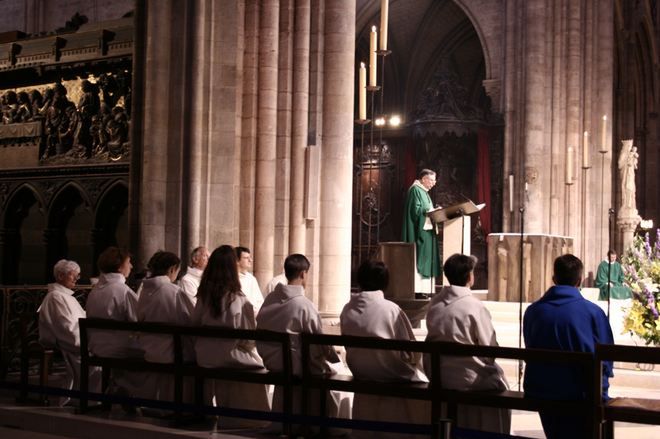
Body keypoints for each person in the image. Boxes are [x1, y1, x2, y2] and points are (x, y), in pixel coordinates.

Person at [523, 254, 614, 439]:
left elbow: (529, 345)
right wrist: (602, 389)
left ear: (554, 278)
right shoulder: (592, 312)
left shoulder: (532, 311)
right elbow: (607, 356)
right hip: (580, 393)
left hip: (540, 389)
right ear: (579, 280)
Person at [256, 254, 350, 434]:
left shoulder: (270, 299)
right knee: (338, 371)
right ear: (303, 274)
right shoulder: (304, 305)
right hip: (298, 367)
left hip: (274, 363)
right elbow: (319, 341)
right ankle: (326, 425)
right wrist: (332, 357)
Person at [340, 260, 428, 438]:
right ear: (385, 282)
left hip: (361, 372)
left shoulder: (347, 309)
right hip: (391, 374)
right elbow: (410, 350)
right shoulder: (391, 310)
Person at [424, 254, 510, 434]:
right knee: (502, 384)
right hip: (470, 379)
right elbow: (489, 351)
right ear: (470, 276)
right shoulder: (474, 306)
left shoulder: (435, 304)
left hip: (441, 376)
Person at [193, 245, 270, 428]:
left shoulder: (204, 295)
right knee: (261, 366)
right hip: (229, 355)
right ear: (232, 269)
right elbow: (248, 338)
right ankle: (247, 419)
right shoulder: (238, 299)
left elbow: (194, 323)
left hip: (204, 354)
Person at [38, 259, 100, 406]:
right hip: (68, 342)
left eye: (78, 276)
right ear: (60, 276)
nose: (77, 279)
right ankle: (86, 399)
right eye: (74, 275)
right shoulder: (56, 297)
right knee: (96, 363)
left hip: (77, 339)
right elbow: (67, 329)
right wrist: (89, 342)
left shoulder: (66, 296)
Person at [85, 247, 143, 396]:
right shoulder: (122, 290)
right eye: (128, 262)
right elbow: (138, 322)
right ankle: (133, 394)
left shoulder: (95, 290)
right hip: (118, 348)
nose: (131, 266)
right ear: (119, 266)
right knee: (156, 353)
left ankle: (117, 385)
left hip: (96, 346)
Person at [138, 251, 193, 401]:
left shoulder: (144, 290)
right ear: (171, 269)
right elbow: (190, 320)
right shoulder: (173, 291)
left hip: (149, 348)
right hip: (173, 351)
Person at [402, 169, 441, 294]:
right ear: (424, 179)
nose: (434, 183)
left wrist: (434, 210)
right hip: (420, 232)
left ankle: (426, 290)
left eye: (435, 180)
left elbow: (425, 209)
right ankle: (419, 290)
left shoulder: (424, 191)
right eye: (432, 180)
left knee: (427, 260)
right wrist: (431, 211)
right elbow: (415, 211)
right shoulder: (415, 190)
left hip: (428, 231)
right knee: (421, 259)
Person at [236, 246, 264, 312]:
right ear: (237, 260)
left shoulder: (251, 278)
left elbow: (260, 301)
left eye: (250, 257)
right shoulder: (232, 278)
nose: (250, 260)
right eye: (246, 258)